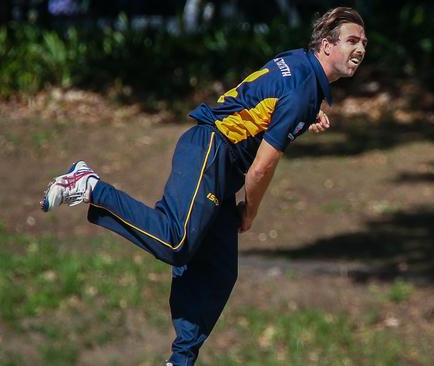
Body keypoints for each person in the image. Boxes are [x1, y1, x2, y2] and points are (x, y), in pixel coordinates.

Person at [40, 7, 366, 365]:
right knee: (176, 242)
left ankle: (180, 361)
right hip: (211, 151)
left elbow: (275, 91)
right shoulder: (304, 91)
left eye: (364, 42)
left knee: (219, 270)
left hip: (221, 165)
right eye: (352, 40)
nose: (361, 48)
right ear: (326, 46)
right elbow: (261, 170)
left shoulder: (300, 65)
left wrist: (308, 113)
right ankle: (89, 185)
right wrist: (249, 211)